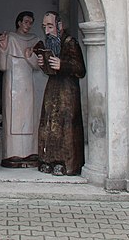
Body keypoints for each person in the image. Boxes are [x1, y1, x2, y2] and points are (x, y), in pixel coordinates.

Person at [34, 11, 86, 176]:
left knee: (65, 127)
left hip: (67, 92)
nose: (47, 31)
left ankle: (66, 163)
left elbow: (80, 69)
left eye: (50, 26)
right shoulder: (50, 43)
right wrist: (44, 64)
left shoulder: (71, 43)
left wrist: (62, 64)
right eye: (44, 27)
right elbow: (51, 71)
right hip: (53, 89)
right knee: (49, 125)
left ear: (59, 25)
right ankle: (48, 159)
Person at [0, 11, 41, 168]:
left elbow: (38, 66)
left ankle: (30, 151)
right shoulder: (10, 38)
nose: (28, 25)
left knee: (29, 117)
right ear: (19, 22)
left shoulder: (35, 40)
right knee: (13, 117)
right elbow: (2, 66)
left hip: (29, 84)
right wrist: (2, 48)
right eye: (26, 22)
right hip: (12, 84)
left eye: (31, 22)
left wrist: (29, 56)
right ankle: (12, 152)